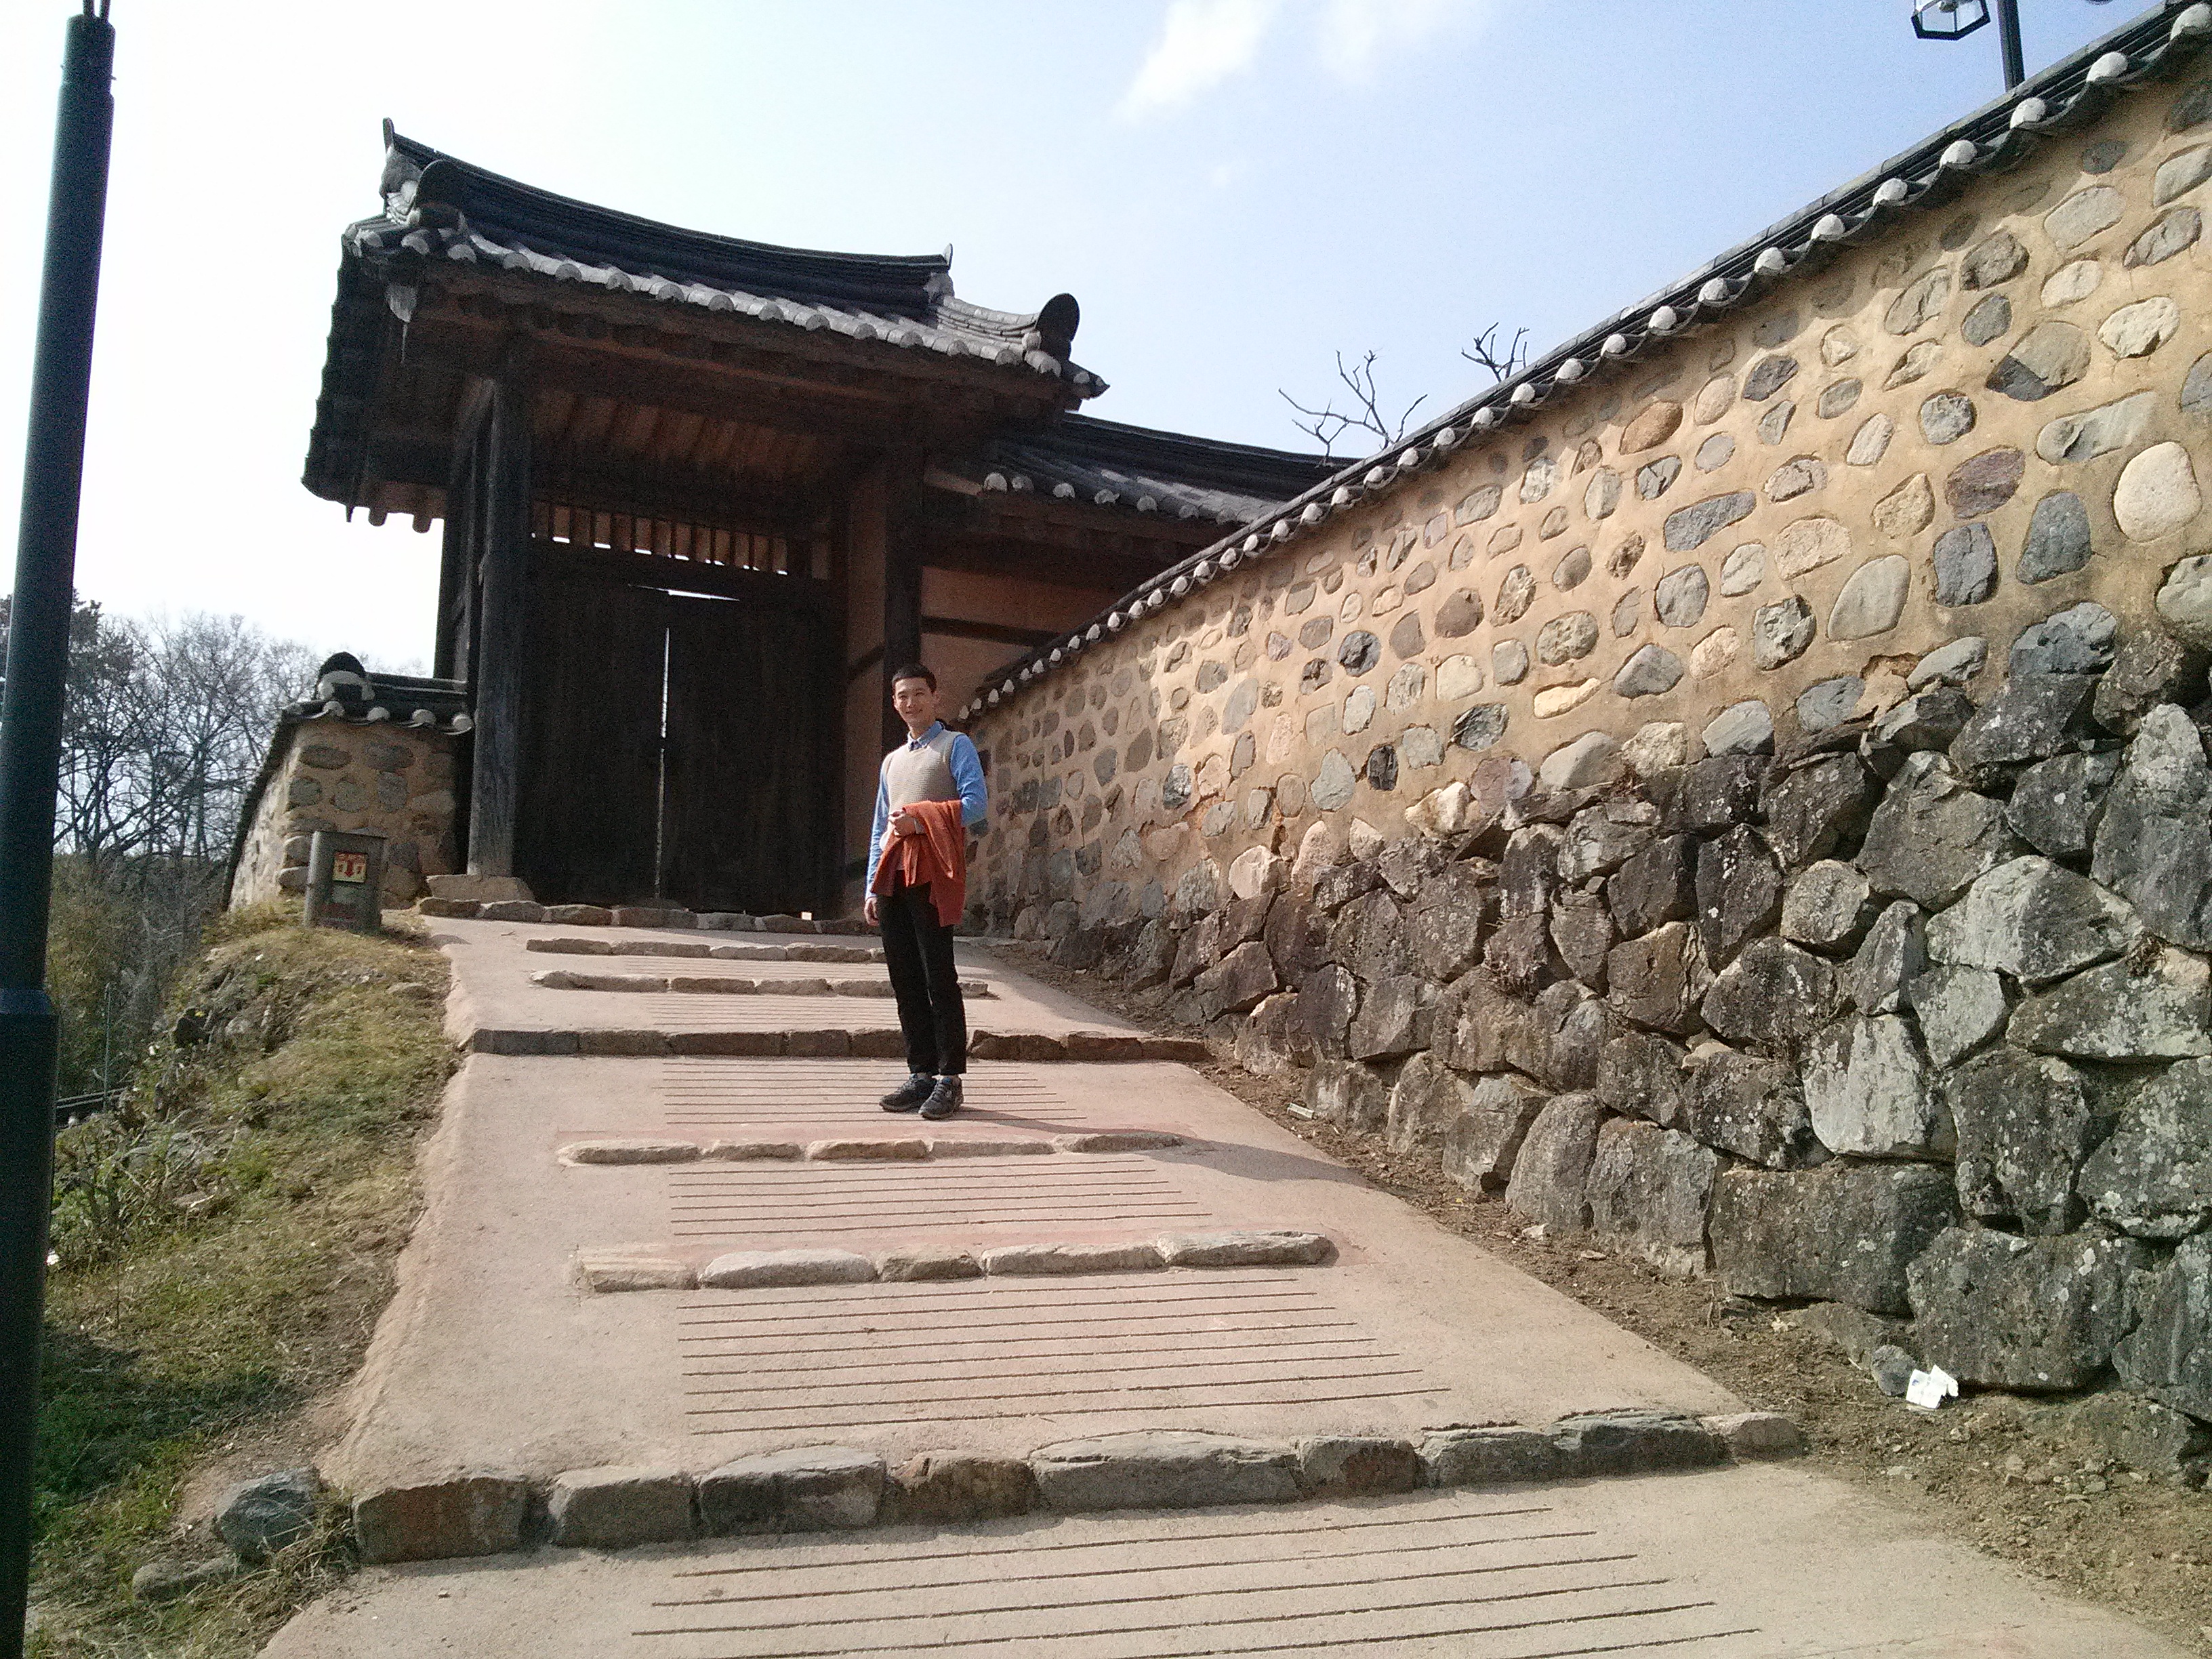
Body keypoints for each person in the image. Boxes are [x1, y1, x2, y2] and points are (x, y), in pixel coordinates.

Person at [865, 664, 987, 1120]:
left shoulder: (955, 746)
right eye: (902, 696)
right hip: (893, 875)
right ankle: (920, 1073)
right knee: (905, 977)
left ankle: (950, 1078)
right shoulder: (891, 762)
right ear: (894, 703)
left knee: (939, 975)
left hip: (934, 874)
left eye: (919, 693)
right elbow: (880, 826)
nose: (911, 702)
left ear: (935, 697)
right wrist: (871, 886)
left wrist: (920, 819)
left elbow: (976, 805)